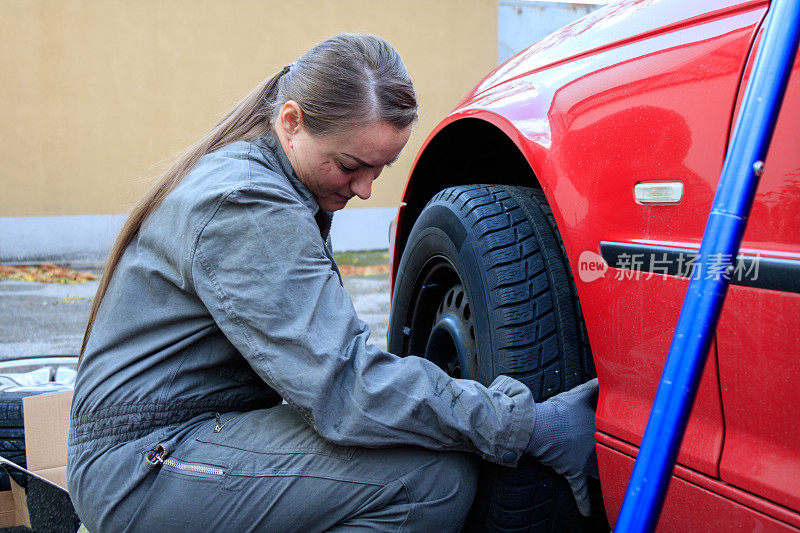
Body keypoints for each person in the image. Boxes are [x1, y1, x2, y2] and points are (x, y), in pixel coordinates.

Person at [67, 33, 598, 532]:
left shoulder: (264, 178)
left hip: (178, 440)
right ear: (292, 121)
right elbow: (345, 388)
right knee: (429, 483)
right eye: (350, 165)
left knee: (423, 452)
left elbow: (330, 365)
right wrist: (520, 423)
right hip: (140, 469)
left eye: (381, 169)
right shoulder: (246, 206)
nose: (365, 190)